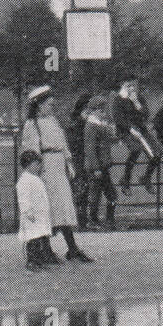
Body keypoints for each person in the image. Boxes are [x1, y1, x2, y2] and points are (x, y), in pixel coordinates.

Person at [20, 85, 93, 262]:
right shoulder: (32, 124)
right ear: (39, 105)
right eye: (48, 104)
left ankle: (72, 248)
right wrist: (37, 171)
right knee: (48, 208)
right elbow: (31, 151)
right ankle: (46, 249)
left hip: (59, 166)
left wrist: (69, 163)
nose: (51, 107)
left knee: (64, 206)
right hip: (46, 167)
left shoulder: (53, 121)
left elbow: (62, 142)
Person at [112, 79, 161, 195]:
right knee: (135, 149)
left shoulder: (138, 98)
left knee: (158, 153)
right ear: (123, 86)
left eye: (133, 86)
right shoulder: (118, 99)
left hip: (141, 130)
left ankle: (146, 178)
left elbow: (146, 115)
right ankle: (125, 180)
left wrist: (136, 103)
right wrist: (130, 129)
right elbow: (118, 119)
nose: (131, 88)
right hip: (126, 131)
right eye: (128, 86)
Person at [16, 150, 59, 272]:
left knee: (41, 237)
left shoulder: (35, 179)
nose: (39, 167)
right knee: (33, 239)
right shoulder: (24, 181)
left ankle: (41, 259)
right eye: (36, 165)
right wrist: (27, 212)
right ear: (29, 165)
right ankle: (31, 261)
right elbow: (23, 199)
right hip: (32, 217)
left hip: (40, 216)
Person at [82, 94, 119, 230]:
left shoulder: (99, 124)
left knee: (110, 194)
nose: (103, 113)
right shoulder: (91, 126)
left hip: (102, 167)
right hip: (95, 168)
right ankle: (93, 220)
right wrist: (96, 168)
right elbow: (90, 148)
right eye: (100, 110)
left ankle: (106, 220)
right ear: (93, 111)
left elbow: (110, 140)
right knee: (96, 195)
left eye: (104, 110)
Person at [66, 92, 92, 228]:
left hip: (84, 161)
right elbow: (74, 145)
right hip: (78, 161)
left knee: (83, 190)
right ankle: (80, 220)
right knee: (80, 189)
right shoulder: (76, 125)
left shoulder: (84, 124)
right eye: (87, 110)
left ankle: (82, 219)